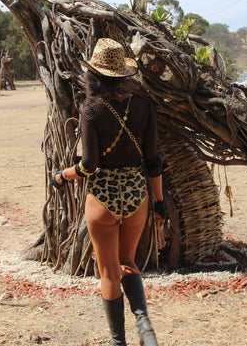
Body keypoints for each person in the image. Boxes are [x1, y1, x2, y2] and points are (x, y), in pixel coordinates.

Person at [51, 38, 166, 346]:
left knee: (109, 273)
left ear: (94, 75)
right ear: (124, 75)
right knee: (129, 262)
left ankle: (118, 342)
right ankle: (145, 326)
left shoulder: (92, 110)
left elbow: (88, 166)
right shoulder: (143, 106)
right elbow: (154, 161)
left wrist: (62, 175)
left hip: (102, 199)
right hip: (136, 196)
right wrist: (159, 203)